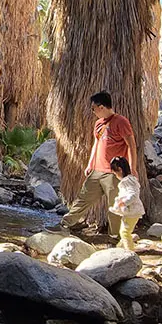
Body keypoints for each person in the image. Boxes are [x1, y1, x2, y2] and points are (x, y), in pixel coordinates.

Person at [60, 91, 137, 238]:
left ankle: (116, 237)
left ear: (101, 107)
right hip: (97, 171)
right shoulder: (98, 124)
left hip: (115, 172)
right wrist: (90, 163)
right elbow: (96, 144)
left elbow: (131, 145)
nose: (93, 111)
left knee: (114, 206)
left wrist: (132, 168)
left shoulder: (121, 122)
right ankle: (64, 225)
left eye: (93, 108)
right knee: (83, 199)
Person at [109, 155, 145, 251]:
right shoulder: (130, 179)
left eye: (115, 173)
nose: (115, 176)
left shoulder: (127, 181)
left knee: (125, 232)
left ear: (120, 170)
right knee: (124, 230)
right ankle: (122, 248)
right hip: (131, 211)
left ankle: (130, 252)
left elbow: (133, 195)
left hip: (132, 211)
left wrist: (124, 202)